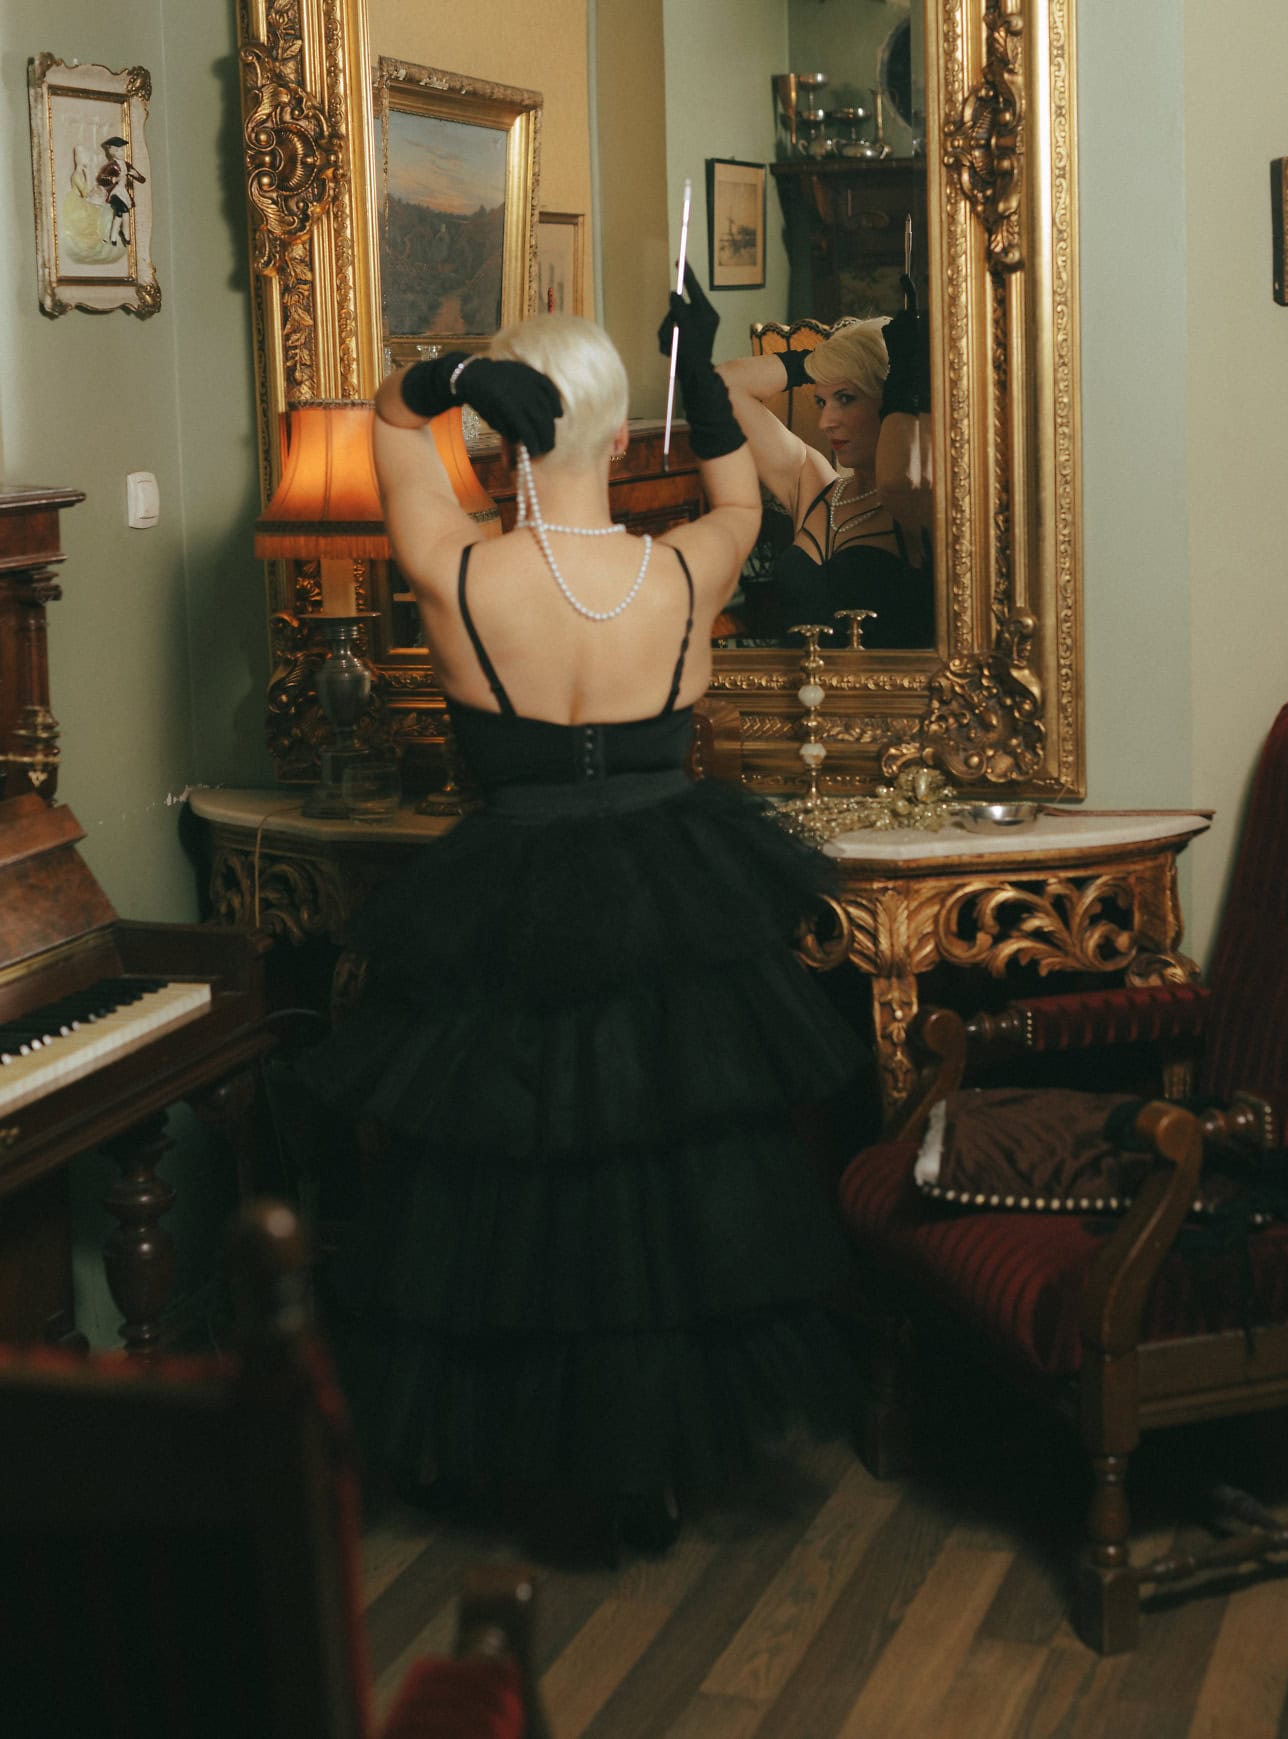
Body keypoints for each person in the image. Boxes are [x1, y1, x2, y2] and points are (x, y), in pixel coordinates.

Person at [302, 288, 869, 1557]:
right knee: (658, 1176)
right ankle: (643, 1466)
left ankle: (513, 1445)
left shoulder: (457, 570)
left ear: (505, 439)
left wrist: (448, 378)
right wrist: (706, 385)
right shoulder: (678, 573)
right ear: (621, 441)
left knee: (512, 1177)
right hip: (674, 886)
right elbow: (743, 501)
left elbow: (386, 425)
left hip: (510, 890)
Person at [716, 279, 935, 649]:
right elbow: (722, 385)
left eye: (846, 398)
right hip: (797, 698)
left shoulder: (914, 502)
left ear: (888, 398)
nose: (826, 422)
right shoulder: (817, 488)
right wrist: (823, 363)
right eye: (822, 401)